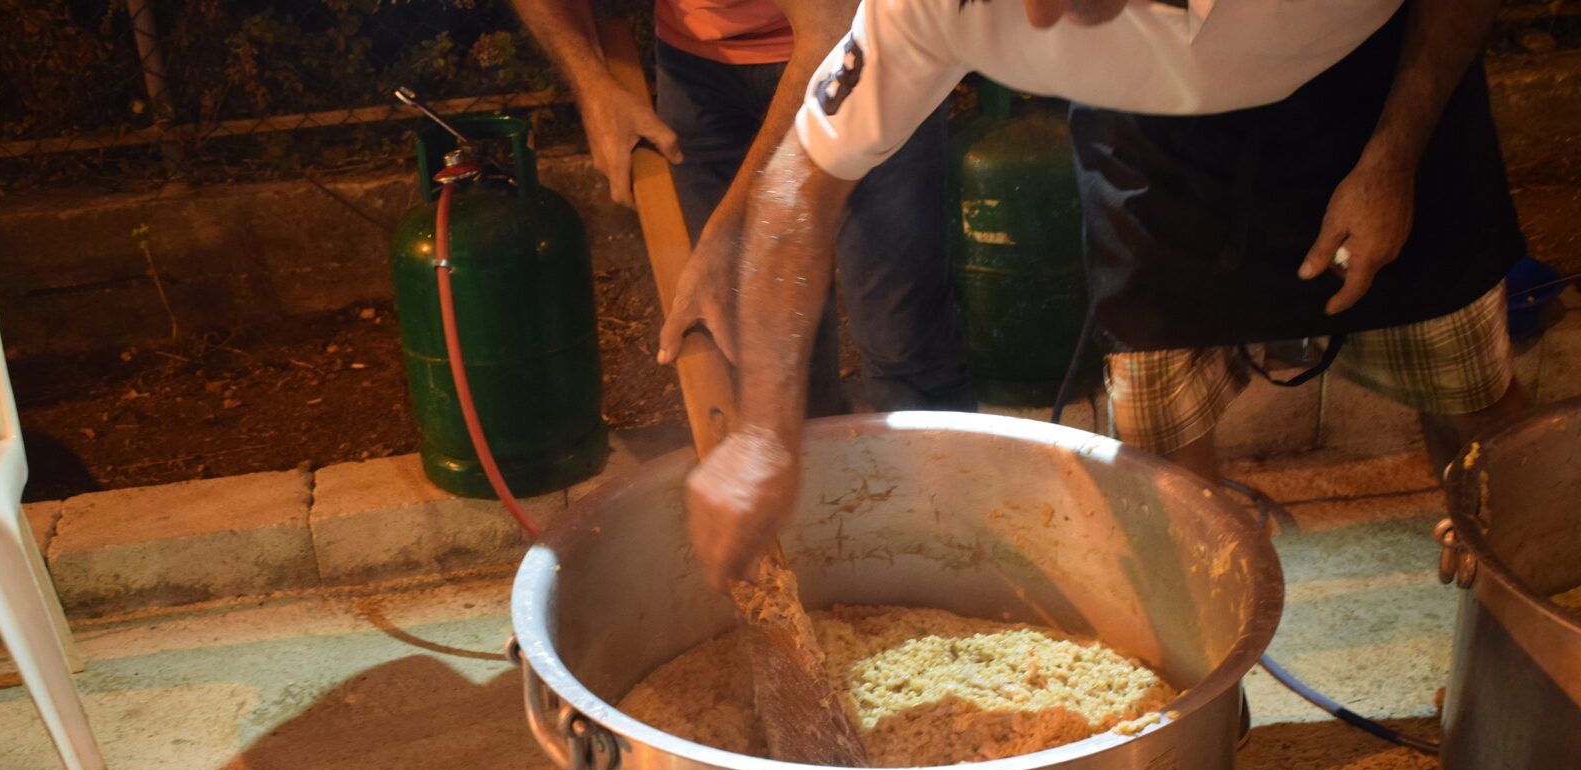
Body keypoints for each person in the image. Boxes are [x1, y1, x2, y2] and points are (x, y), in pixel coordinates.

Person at [686, 0, 1527, 585]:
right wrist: (764, 433)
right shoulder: (930, 3)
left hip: (1370, 98)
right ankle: (1204, 685)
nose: (1039, 18)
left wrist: (1396, 156)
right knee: (1160, 440)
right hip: (1152, 144)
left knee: (1471, 391)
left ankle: (1521, 587)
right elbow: (801, 186)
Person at [507, 0, 972, 415]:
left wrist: (727, 232)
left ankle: (940, 478)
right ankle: (814, 480)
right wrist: (593, 88)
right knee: (771, 356)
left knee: (903, 343)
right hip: (697, 65)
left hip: (868, 43)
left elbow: (829, 32)